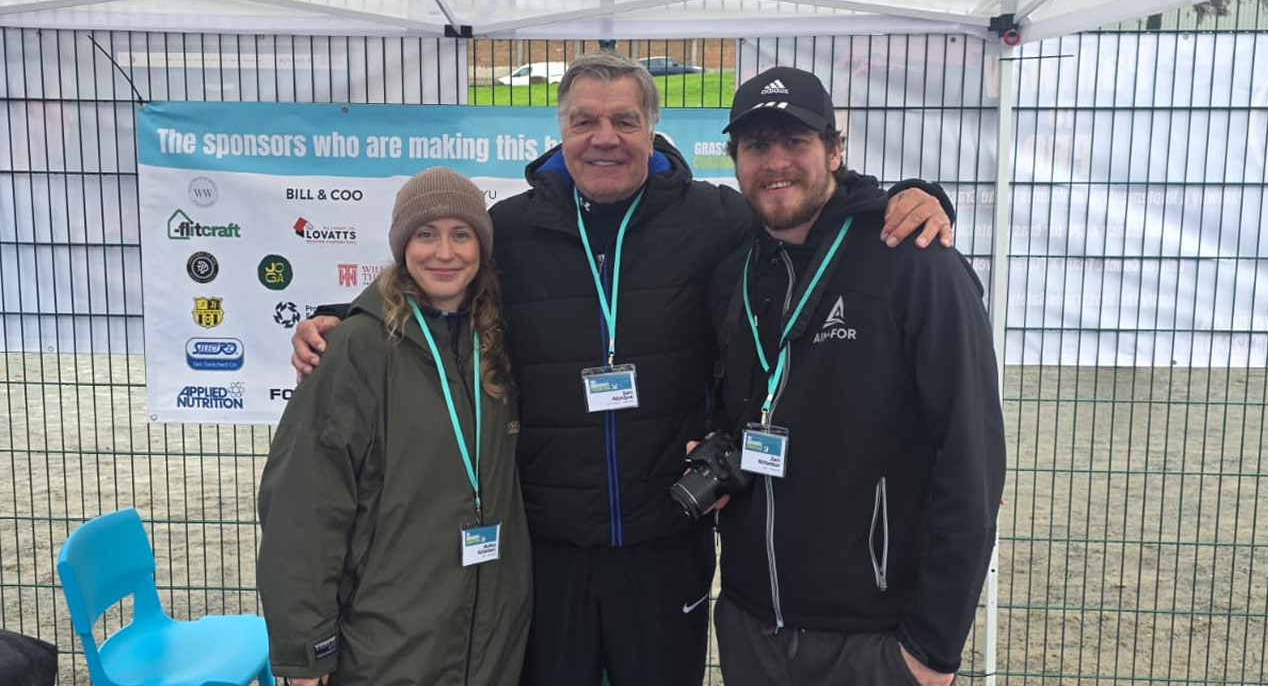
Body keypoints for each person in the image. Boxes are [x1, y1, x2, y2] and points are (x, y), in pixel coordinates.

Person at [290, 51, 954, 686]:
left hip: (666, 540)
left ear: (652, 129)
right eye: (585, 120)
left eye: (624, 121)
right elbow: (435, 287)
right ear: (560, 130)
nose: (604, 137)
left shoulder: (715, 218)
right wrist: (342, 318)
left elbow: (809, 221)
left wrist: (914, 198)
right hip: (548, 546)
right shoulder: (512, 230)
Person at [706, 66, 1007, 686]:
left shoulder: (914, 261)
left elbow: (972, 456)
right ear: (735, 159)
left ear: (835, 150)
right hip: (750, 622)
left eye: (796, 142)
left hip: (873, 639)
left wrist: (933, 647)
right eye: (757, 145)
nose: (776, 163)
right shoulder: (734, 271)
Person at [258, 167, 532, 686]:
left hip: (490, 638)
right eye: (426, 234)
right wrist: (306, 651)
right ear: (403, 246)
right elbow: (305, 506)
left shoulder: (497, 341)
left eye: (461, 234)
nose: (444, 253)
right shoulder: (356, 349)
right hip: (388, 642)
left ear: (482, 246)